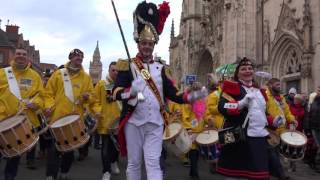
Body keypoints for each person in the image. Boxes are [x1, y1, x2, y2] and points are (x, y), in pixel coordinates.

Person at [112, 2, 207, 180]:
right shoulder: (128, 65)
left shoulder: (161, 68)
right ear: (138, 44)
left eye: (150, 43)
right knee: (134, 163)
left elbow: (174, 94)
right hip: (133, 121)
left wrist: (194, 96)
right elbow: (116, 93)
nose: (147, 46)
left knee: (153, 162)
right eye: (144, 43)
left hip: (155, 123)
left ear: (154, 45)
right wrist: (131, 92)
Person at [43, 49, 100, 180]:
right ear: (70, 58)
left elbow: (93, 97)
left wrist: (88, 97)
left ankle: (64, 173)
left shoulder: (86, 77)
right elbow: (48, 94)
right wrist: (49, 106)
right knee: (54, 150)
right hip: (57, 118)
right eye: (76, 56)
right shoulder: (58, 74)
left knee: (69, 150)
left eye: (81, 56)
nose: (79, 58)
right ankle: (50, 175)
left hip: (75, 120)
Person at [217, 57, 269, 179]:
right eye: (243, 69)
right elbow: (222, 106)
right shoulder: (231, 87)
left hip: (258, 138)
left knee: (258, 174)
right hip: (238, 136)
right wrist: (241, 103)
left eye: (250, 68)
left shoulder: (259, 91)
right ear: (237, 73)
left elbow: (262, 113)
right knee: (234, 174)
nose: (248, 71)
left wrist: (273, 121)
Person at [0, 47, 44, 180]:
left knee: (14, 158)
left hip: (22, 123)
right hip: (2, 121)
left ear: (28, 57)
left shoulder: (34, 76)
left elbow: (41, 96)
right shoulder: (2, 73)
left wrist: (36, 103)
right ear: (14, 56)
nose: (21, 56)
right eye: (18, 53)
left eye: (24, 54)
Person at [94, 61, 121, 180]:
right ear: (109, 71)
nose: (115, 72)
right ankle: (106, 171)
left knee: (116, 147)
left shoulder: (121, 85)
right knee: (105, 149)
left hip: (118, 123)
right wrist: (98, 110)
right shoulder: (101, 84)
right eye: (113, 70)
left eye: (117, 70)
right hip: (105, 122)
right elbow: (95, 101)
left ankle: (114, 161)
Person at [265, 78, 297, 178]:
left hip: (281, 130)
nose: (279, 86)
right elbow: (262, 112)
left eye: (280, 84)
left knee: (276, 153)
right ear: (270, 85)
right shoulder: (265, 96)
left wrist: (292, 119)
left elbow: (287, 112)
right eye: (277, 84)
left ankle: (271, 172)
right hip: (269, 130)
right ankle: (281, 175)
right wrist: (270, 121)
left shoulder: (282, 98)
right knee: (273, 153)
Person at [305, 86, 320, 172]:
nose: (319, 92)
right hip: (315, 127)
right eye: (318, 90)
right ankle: (315, 164)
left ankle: (313, 162)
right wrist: (307, 128)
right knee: (318, 146)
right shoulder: (314, 101)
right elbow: (309, 115)